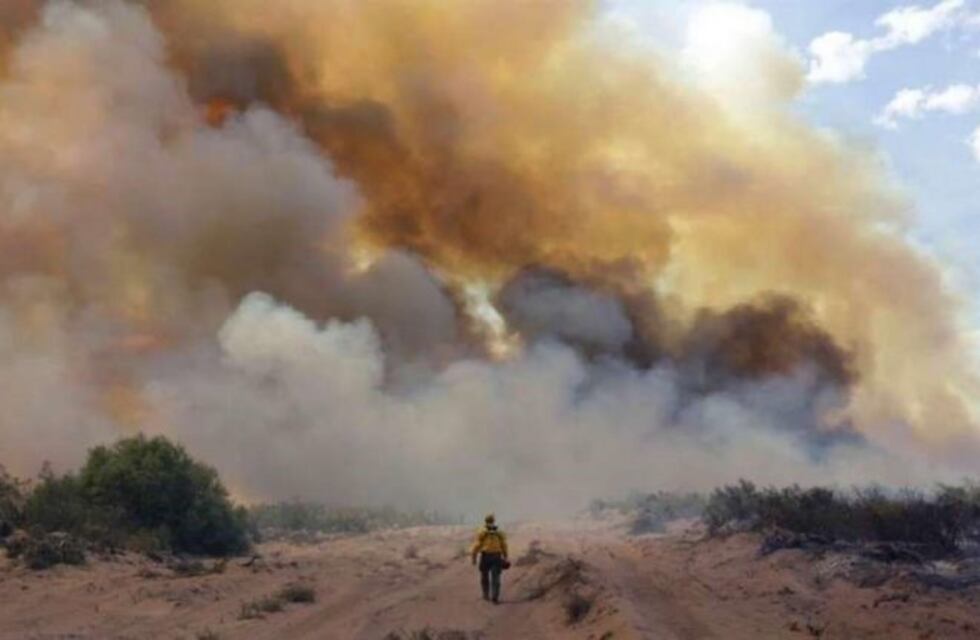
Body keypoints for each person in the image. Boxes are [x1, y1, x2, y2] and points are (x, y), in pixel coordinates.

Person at [470, 513, 508, 604]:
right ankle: (495, 596)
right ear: (493, 520)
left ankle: (486, 595)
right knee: (496, 578)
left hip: (485, 556)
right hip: (496, 556)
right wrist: (505, 555)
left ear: (485, 520)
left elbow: (477, 545)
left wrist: (474, 557)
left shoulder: (482, 531)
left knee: (484, 576)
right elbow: (504, 544)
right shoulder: (499, 532)